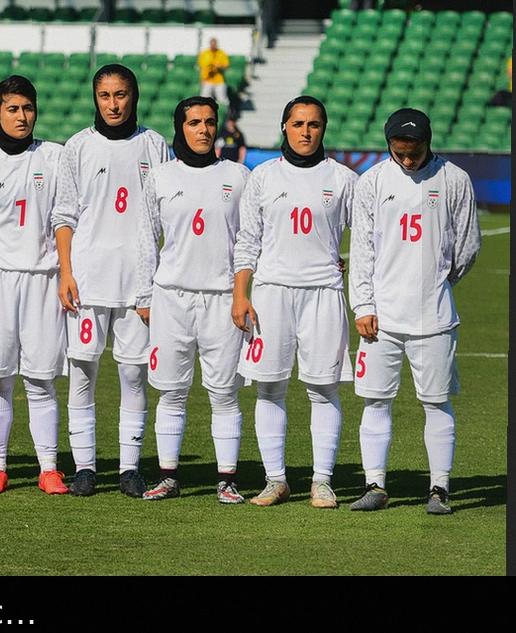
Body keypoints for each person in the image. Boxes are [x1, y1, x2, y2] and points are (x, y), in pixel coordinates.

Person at [348, 108, 480, 514]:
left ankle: (439, 489)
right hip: (381, 317)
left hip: (434, 317)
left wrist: (437, 284)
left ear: (428, 142)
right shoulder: (371, 182)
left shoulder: (454, 179)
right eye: (399, 152)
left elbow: (468, 246)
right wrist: (363, 305)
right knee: (375, 401)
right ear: (388, 144)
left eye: (416, 152)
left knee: (436, 402)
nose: (408, 160)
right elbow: (362, 250)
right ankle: (375, 485)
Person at [231, 97, 359, 508]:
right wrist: (240, 294)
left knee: (323, 388)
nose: (306, 132)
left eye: (315, 124)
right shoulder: (263, 176)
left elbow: (371, 236)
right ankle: (275, 480)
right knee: (269, 387)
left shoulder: (343, 179)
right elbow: (247, 240)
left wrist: (345, 264)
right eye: (299, 123)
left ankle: (321, 481)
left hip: (323, 294)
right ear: (284, 126)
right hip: (271, 294)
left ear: (324, 128)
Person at [55, 64, 170, 497]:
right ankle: (85, 467)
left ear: (133, 96)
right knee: (83, 370)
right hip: (86, 280)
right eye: (104, 96)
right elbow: (64, 214)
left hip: (139, 283)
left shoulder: (154, 145)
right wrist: (66, 272)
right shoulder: (78, 146)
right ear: (95, 99)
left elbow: (167, 215)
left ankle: (128, 467)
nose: (113, 104)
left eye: (120, 95)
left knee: (134, 374)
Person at [0, 75, 71, 495]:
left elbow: (64, 215)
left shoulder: (55, 157)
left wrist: (62, 269)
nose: (22, 116)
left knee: (40, 380)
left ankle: (48, 469)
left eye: (27, 108)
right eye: (12, 109)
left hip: (43, 280)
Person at [135, 96, 251, 503]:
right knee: (171, 391)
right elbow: (146, 238)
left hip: (224, 299)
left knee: (224, 393)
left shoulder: (238, 176)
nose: (203, 129)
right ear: (179, 127)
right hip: (171, 298)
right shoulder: (161, 176)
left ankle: (227, 479)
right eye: (194, 122)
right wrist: (144, 296)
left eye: (209, 122)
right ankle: (168, 476)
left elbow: (254, 240)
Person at [197, 38, 230, 107]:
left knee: (222, 99)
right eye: (212, 44)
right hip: (207, 79)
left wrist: (219, 67)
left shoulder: (221, 53)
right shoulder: (205, 53)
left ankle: (226, 113)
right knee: (204, 99)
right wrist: (202, 79)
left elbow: (226, 66)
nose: (213, 46)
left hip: (218, 79)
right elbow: (202, 67)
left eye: (214, 44)